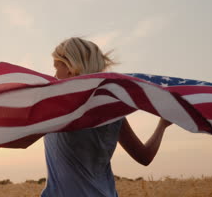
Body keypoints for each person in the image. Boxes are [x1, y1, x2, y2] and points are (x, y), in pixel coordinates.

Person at [41, 37, 172, 197]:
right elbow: (144, 157)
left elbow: (20, 141)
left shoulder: (56, 106)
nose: (55, 75)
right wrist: (162, 125)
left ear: (69, 67)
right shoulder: (112, 109)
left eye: (56, 67)